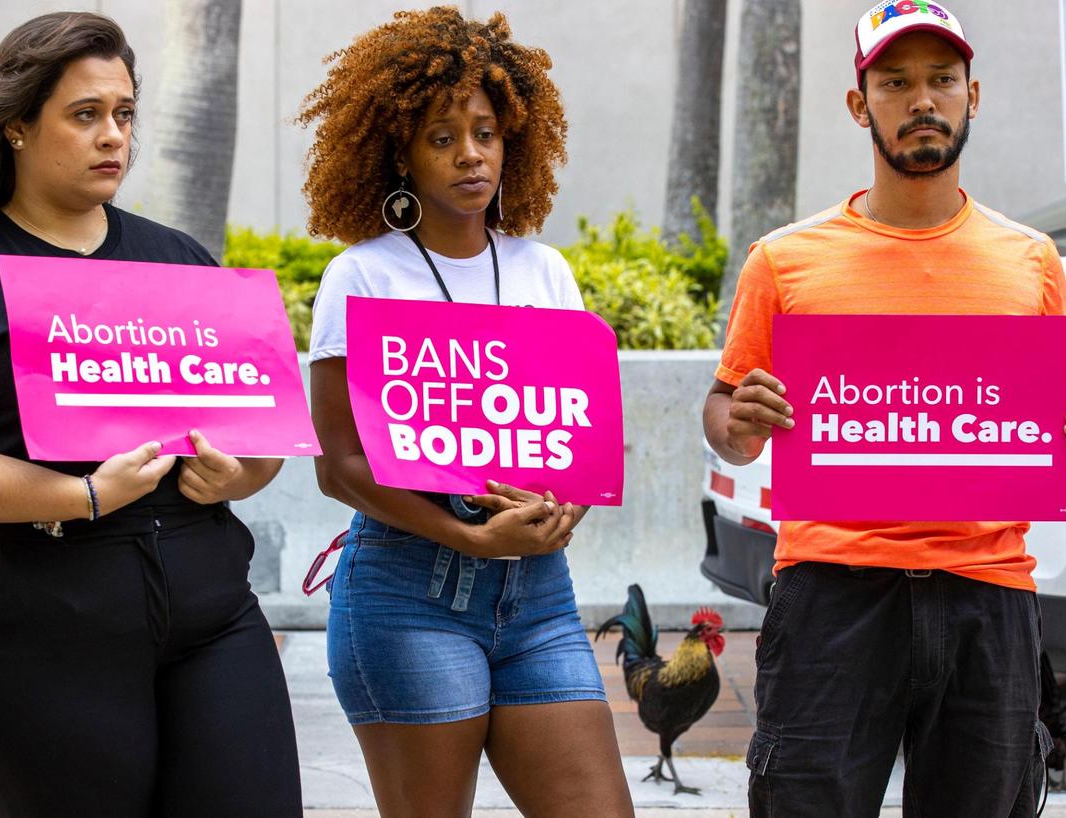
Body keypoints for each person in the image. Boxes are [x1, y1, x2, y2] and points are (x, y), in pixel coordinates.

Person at [0, 13, 300, 818]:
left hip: (212, 620)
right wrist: (83, 496)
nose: (113, 137)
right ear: (17, 126)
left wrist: (237, 473)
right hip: (34, 629)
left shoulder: (182, 259)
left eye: (124, 114)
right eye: (85, 114)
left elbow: (264, 440)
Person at [703, 3, 1066, 816]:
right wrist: (739, 422)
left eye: (941, 79)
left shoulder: (1032, 262)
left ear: (974, 94)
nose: (922, 99)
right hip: (832, 595)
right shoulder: (786, 259)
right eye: (895, 82)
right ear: (859, 104)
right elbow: (724, 415)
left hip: (989, 592)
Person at [299, 8, 634, 818]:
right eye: (442, 137)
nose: (470, 154)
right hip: (410, 594)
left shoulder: (545, 271)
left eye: (485, 132)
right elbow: (338, 465)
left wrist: (564, 511)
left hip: (539, 599)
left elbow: (587, 439)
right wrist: (470, 536)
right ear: (401, 155)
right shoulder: (363, 277)